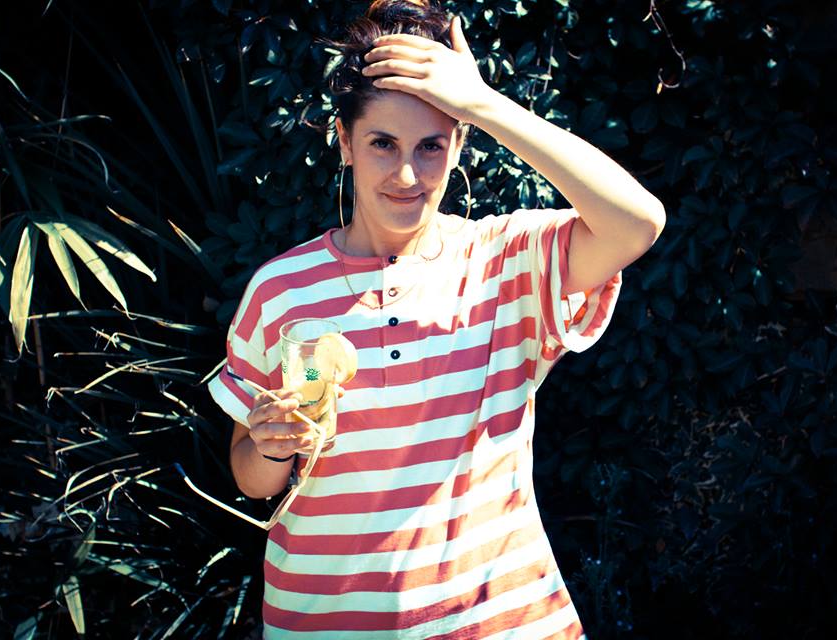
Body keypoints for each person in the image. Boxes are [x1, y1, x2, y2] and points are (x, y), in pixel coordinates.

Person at [206, 0, 665, 637]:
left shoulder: (506, 261)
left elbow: (637, 223)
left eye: (431, 146)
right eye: (382, 144)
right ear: (344, 141)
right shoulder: (281, 290)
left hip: (501, 624)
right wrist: (268, 443)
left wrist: (483, 103)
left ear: (459, 146)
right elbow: (253, 479)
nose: (406, 174)